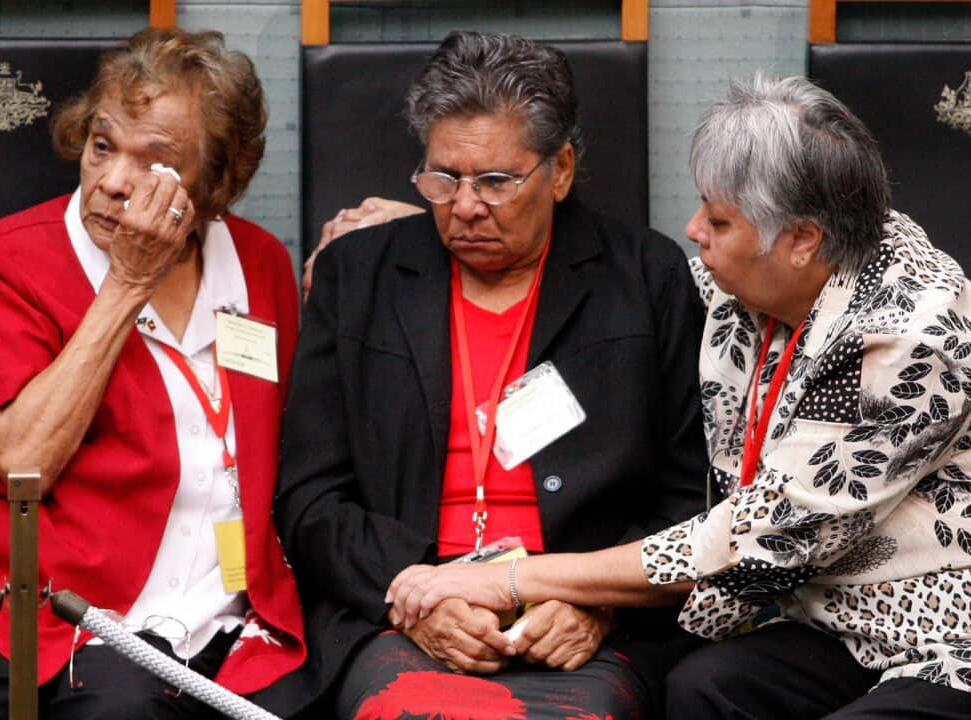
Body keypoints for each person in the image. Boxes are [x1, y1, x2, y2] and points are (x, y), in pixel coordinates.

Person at [386, 75, 971, 719]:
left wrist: (513, 576)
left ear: (802, 238)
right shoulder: (749, 281)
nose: (693, 231)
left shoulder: (921, 336)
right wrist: (407, 242)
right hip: (854, 616)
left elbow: (757, 540)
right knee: (707, 690)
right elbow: (623, 287)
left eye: (718, 219)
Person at [0, 28, 306, 717]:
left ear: (218, 180)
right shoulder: (3, 261)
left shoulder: (259, 266)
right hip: (2, 596)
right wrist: (126, 286)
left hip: (195, 617)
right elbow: (23, 462)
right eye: (103, 145)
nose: (111, 181)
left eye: (154, 161)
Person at [274, 30, 706, 719]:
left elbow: (691, 498)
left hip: (580, 619)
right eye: (443, 179)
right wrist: (417, 595)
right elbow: (308, 498)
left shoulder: (645, 280)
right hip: (403, 614)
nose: (466, 206)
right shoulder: (359, 279)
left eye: (497, 182)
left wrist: (597, 609)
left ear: (560, 169)